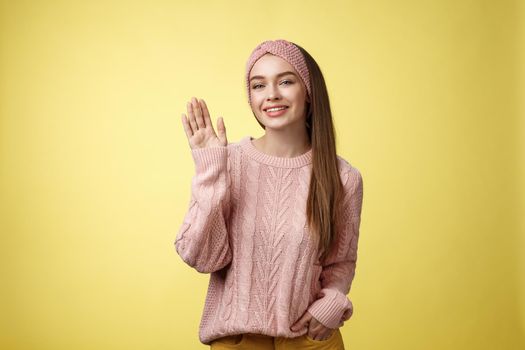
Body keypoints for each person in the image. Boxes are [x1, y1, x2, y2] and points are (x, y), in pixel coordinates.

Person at [175, 39, 364, 350]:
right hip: (238, 339)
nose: (272, 94)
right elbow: (202, 257)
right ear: (250, 97)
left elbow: (341, 262)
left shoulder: (344, 178)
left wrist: (330, 304)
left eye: (286, 81)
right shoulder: (227, 161)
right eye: (258, 85)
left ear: (309, 91)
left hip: (310, 339)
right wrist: (211, 172)